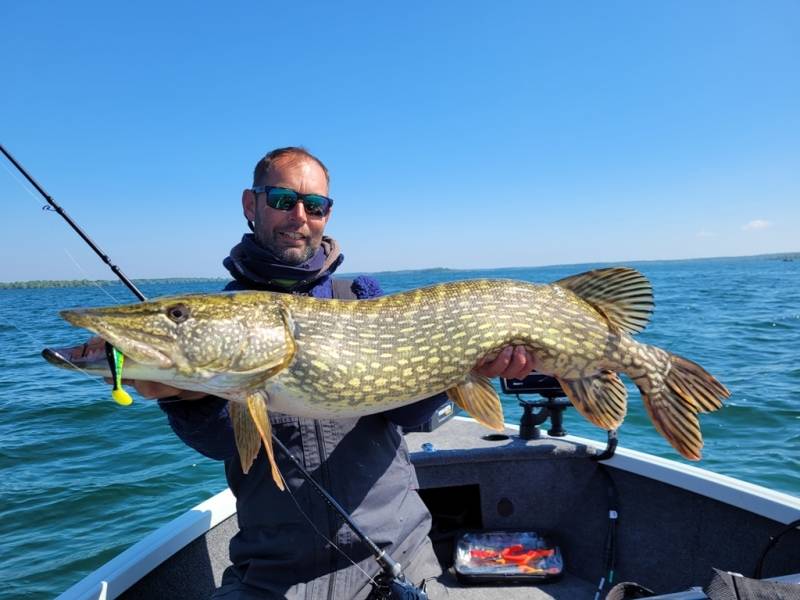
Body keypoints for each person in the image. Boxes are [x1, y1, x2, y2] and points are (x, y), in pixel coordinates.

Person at [77, 147, 536, 599]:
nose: (300, 215)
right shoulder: (229, 309)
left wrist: (464, 369)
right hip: (275, 574)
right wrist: (183, 395)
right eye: (282, 200)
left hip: (396, 557)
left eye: (315, 205)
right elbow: (219, 444)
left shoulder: (361, 297)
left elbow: (409, 417)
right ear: (250, 205)